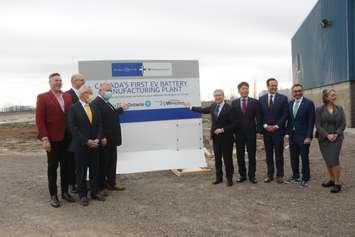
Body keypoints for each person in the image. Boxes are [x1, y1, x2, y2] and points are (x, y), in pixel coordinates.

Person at [35, 73, 75, 208]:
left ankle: (65, 192)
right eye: (55, 80)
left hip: (67, 138)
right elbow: (40, 120)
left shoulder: (68, 97)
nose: (58, 82)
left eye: (60, 80)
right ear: (50, 82)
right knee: (53, 167)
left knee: (66, 166)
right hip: (52, 139)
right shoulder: (43, 97)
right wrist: (44, 138)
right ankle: (53, 195)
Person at [185, 89, 237, 186]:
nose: (217, 97)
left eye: (219, 95)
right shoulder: (213, 106)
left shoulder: (229, 108)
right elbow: (203, 110)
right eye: (215, 96)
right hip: (216, 138)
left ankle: (229, 179)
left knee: (227, 159)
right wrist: (191, 107)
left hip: (226, 138)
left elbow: (234, 124)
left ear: (223, 96)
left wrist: (222, 129)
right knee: (217, 159)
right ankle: (219, 178)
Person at [68, 85, 106, 206]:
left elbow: (100, 124)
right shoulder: (73, 108)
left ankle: (94, 192)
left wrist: (97, 139)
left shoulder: (94, 107)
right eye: (89, 93)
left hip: (95, 145)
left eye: (91, 93)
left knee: (95, 170)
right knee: (81, 171)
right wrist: (86, 141)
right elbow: (73, 128)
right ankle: (83, 195)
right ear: (82, 94)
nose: (91, 95)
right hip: (81, 146)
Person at [92, 82, 128, 194]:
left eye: (111, 90)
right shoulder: (96, 103)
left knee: (112, 163)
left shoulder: (106, 102)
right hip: (105, 140)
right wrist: (102, 136)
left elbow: (111, 116)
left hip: (112, 139)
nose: (109, 93)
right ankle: (102, 186)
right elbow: (98, 122)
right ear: (100, 91)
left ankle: (111, 183)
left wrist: (121, 109)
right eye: (107, 90)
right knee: (104, 163)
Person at [315, 89, 346, 193]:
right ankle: (332, 179)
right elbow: (318, 125)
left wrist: (336, 133)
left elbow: (343, 124)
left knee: (334, 159)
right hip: (324, 139)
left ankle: (337, 183)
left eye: (335, 95)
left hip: (337, 139)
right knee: (328, 159)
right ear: (326, 97)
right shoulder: (319, 109)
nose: (335, 97)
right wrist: (327, 135)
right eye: (332, 95)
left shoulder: (339, 108)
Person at [231, 82, 262, 184]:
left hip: (251, 133)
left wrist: (258, 131)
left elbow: (258, 118)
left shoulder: (255, 102)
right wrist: (233, 132)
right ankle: (242, 175)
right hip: (239, 133)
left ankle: (252, 175)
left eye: (246, 88)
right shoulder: (234, 103)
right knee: (240, 155)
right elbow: (233, 119)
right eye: (243, 89)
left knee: (252, 155)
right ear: (239, 90)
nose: (245, 90)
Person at [259, 78, 289, 184]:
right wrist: (265, 126)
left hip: (278, 131)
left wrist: (276, 126)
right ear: (267, 86)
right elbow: (260, 115)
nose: (274, 87)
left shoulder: (283, 98)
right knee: (269, 155)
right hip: (266, 132)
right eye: (272, 85)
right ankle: (270, 175)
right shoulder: (261, 99)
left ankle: (280, 175)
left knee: (279, 154)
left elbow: (285, 114)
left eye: (275, 85)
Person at [286, 84, 315, 187]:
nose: (297, 93)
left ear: (302, 91)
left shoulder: (308, 103)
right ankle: (295, 175)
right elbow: (289, 120)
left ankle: (305, 177)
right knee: (293, 157)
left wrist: (308, 136)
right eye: (295, 91)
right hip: (292, 136)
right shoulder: (290, 104)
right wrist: (287, 133)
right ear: (292, 92)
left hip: (303, 136)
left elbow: (311, 121)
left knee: (304, 157)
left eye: (299, 91)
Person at [65, 73, 86, 194]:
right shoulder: (67, 95)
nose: (83, 82)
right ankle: (72, 184)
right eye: (80, 80)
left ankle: (80, 183)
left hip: (85, 134)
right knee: (72, 162)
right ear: (73, 81)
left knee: (81, 162)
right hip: (73, 135)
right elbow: (68, 116)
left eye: (84, 80)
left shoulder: (85, 95)